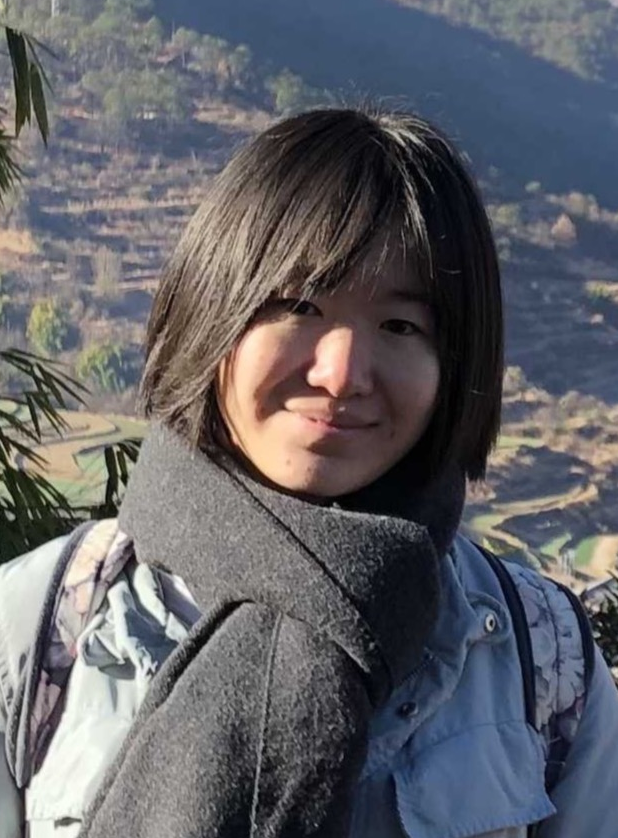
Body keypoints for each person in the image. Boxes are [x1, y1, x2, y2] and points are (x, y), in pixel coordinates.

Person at [1, 107, 617, 838]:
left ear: (455, 364)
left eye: (400, 326)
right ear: (209, 312)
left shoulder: (541, 655)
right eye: (299, 305)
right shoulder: (37, 630)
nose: (341, 373)